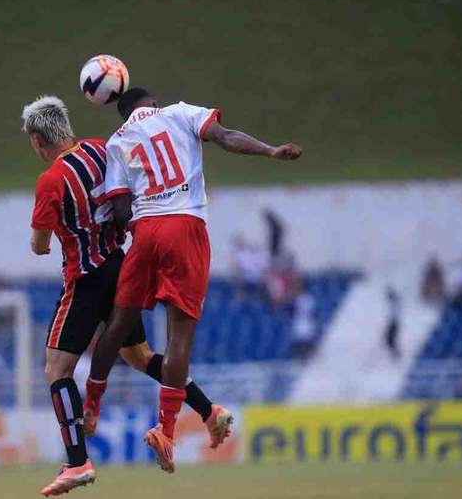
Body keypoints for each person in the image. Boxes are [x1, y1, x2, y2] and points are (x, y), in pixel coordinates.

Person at [21, 95, 231, 496]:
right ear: (66, 125)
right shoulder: (103, 150)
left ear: (37, 140)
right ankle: (209, 410)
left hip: (85, 279)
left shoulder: (51, 180)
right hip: (120, 266)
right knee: (140, 356)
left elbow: (39, 244)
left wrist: (44, 240)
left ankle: (77, 461)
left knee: (56, 369)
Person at [84, 87, 301, 473]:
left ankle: (91, 408)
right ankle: (166, 431)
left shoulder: (119, 141)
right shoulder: (181, 113)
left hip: (146, 229)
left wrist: (130, 223)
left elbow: (119, 209)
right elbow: (226, 137)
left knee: (117, 329)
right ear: (151, 103)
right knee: (178, 338)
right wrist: (270, 151)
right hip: (186, 227)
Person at [384, 286, 401, 360]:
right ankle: (395, 354)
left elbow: (394, 314)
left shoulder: (395, 304)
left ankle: (396, 355)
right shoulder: (394, 304)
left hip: (394, 324)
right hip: (393, 323)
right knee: (389, 341)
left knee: (390, 341)